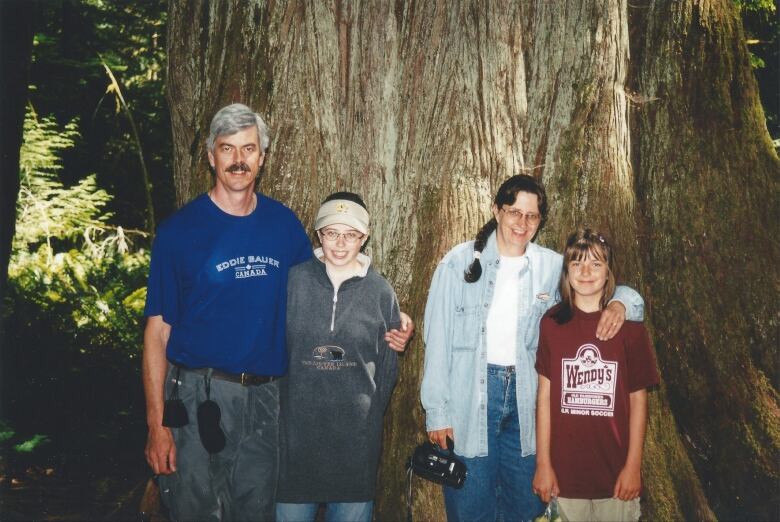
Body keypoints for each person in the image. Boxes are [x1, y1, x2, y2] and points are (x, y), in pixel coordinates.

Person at [142, 103, 412, 521]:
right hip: (199, 396)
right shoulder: (179, 232)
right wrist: (157, 425)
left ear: (262, 158)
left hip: (269, 400)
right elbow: (157, 333)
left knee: (257, 510)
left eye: (248, 149)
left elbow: (328, 286)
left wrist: (391, 320)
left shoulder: (284, 227)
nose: (238, 160)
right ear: (211, 156)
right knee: (194, 509)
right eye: (227, 149)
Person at [420, 174, 644, 521]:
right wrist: (437, 410)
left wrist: (621, 305)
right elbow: (436, 340)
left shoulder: (551, 266)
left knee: (526, 506)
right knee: (470, 503)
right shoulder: (458, 264)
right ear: (497, 210)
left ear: (540, 220)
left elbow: (606, 290)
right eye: (514, 212)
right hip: (470, 401)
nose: (522, 223)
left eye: (532, 216)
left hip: (528, 401)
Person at [275, 192, 400, 522]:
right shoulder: (293, 282)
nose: (341, 244)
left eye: (351, 235)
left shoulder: (381, 293)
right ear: (319, 235)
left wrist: (366, 419)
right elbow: (275, 352)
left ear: (365, 237)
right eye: (332, 233)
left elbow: (387, 369)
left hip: (354, 447)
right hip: (295, 442)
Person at [532, 229, 659, 522]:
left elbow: (639, 402)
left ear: (608, 272)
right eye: (577, 263)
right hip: (564, 477)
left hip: (615, 476)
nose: (586, 271)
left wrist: (633, 467)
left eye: (596, 264)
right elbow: (545, 398)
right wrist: (543, 464)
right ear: (566, 272)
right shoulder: (551, 324)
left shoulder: (631, 331)